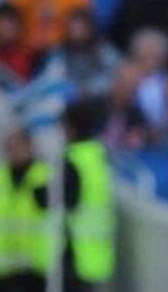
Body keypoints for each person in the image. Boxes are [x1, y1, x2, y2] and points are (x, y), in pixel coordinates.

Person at [38, 101, 115, 292]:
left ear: (71, 128)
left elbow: (60, 199)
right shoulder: (97, 156)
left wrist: (38, 190)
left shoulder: (74, 160)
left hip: (75, 257)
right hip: (97, 257)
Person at [0, 128, 54, 292]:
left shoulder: (45, 176)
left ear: (29, 146)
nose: (15, 151)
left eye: (19, 146)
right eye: (10, 146)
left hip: (34, 267)